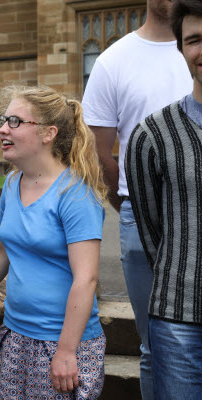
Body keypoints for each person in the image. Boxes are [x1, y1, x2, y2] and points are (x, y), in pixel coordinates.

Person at [0, 85, 107, 399]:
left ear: (48, 133)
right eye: (4, 120)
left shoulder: (75, 195)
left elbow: (85, 279)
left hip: (61, 343)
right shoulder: (12, 183)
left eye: (16, 122)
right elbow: (4, 250)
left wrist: (65, 351)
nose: (3, 129)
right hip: (17, 335)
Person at [81, 1, 192, 396]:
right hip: (140, 218)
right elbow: (97, 153)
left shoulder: (195, 50)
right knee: (154, 346)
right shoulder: (114, 61)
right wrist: (130, 204)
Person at [125, 1, 202, 398]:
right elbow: (153, 230)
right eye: (194, 40)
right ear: (181, 50)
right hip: (179, 321)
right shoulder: (152, 135)